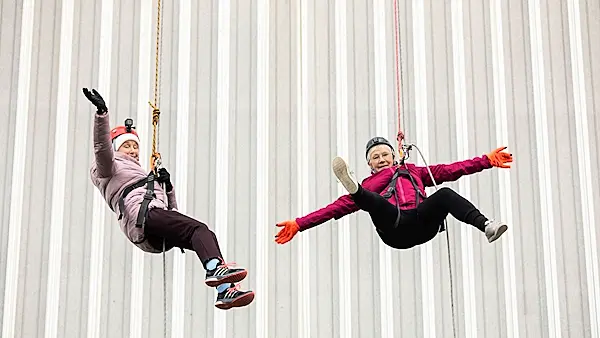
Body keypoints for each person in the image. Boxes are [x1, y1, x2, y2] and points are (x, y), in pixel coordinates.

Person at [83, 88, 254, 310]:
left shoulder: (143, 174)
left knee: (203, 234)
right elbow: (102, 148)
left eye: (136, 146)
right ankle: (215, 271)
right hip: (142, 218)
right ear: (117, 148)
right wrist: (102, 114)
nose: (134, 150)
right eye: (127, 145)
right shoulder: (108, 169)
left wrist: (168, 187)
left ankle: (224, 290)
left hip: (152, 226)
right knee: (198, 230)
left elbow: (171, 213)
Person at [275, 136, 512, 250]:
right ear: (370, 165)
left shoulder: (414, 171)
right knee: (373, 201)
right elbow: (335, 208)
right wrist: (299, 223)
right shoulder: (372, 181)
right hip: (395, 228)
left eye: (384, 155)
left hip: (422, 223)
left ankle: (486, 226)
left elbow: (451, 169)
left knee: (445, 194)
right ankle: (353, 187)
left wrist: (486, 161)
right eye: (375, 158)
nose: (381, 160)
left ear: (394, 155)